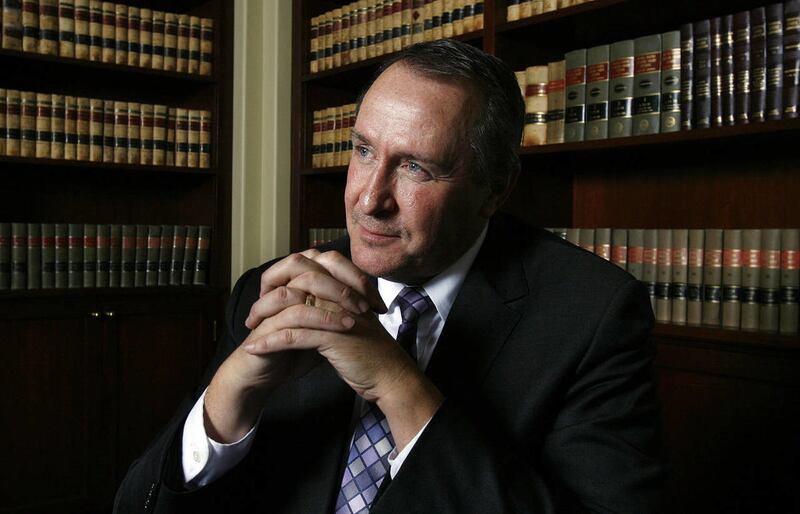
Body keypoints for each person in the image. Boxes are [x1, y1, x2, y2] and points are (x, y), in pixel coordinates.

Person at [114, 39, 665, 513]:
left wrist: (398, 386)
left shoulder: (593, 315)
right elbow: (137, 504)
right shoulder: (276, 290)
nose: (368, 199)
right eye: (362, 151)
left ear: (495, 188)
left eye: (415, 167)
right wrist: (226, 399)